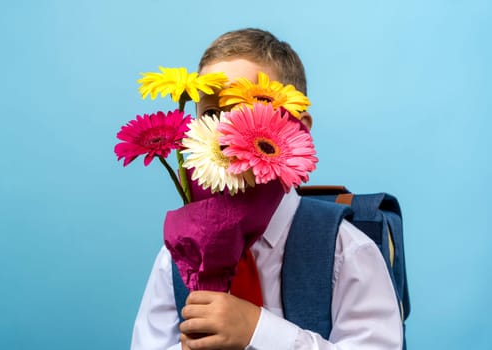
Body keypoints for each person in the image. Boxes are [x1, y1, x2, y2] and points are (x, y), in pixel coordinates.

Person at [131, 28, 403, 350]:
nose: (226, 133)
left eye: (248, 110)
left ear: (298, 129)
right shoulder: (177, 257)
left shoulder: (347, 250)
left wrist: (258, 331)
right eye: (212, 114)